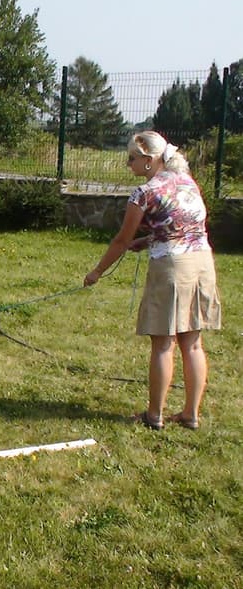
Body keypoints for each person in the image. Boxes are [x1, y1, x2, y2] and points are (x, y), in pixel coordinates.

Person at [84, 130, 221, 430]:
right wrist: (148, 240)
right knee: (193, 344)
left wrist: (96, 273)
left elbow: (120, 240)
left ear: (148, 160)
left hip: (171, 269)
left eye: (131, 159)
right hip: (202, 265)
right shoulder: (188, 182)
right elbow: (182, 226)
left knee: (163, 345)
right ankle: (190, 414)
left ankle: (155, 416)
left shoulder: (144, 193)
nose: (128, 164)